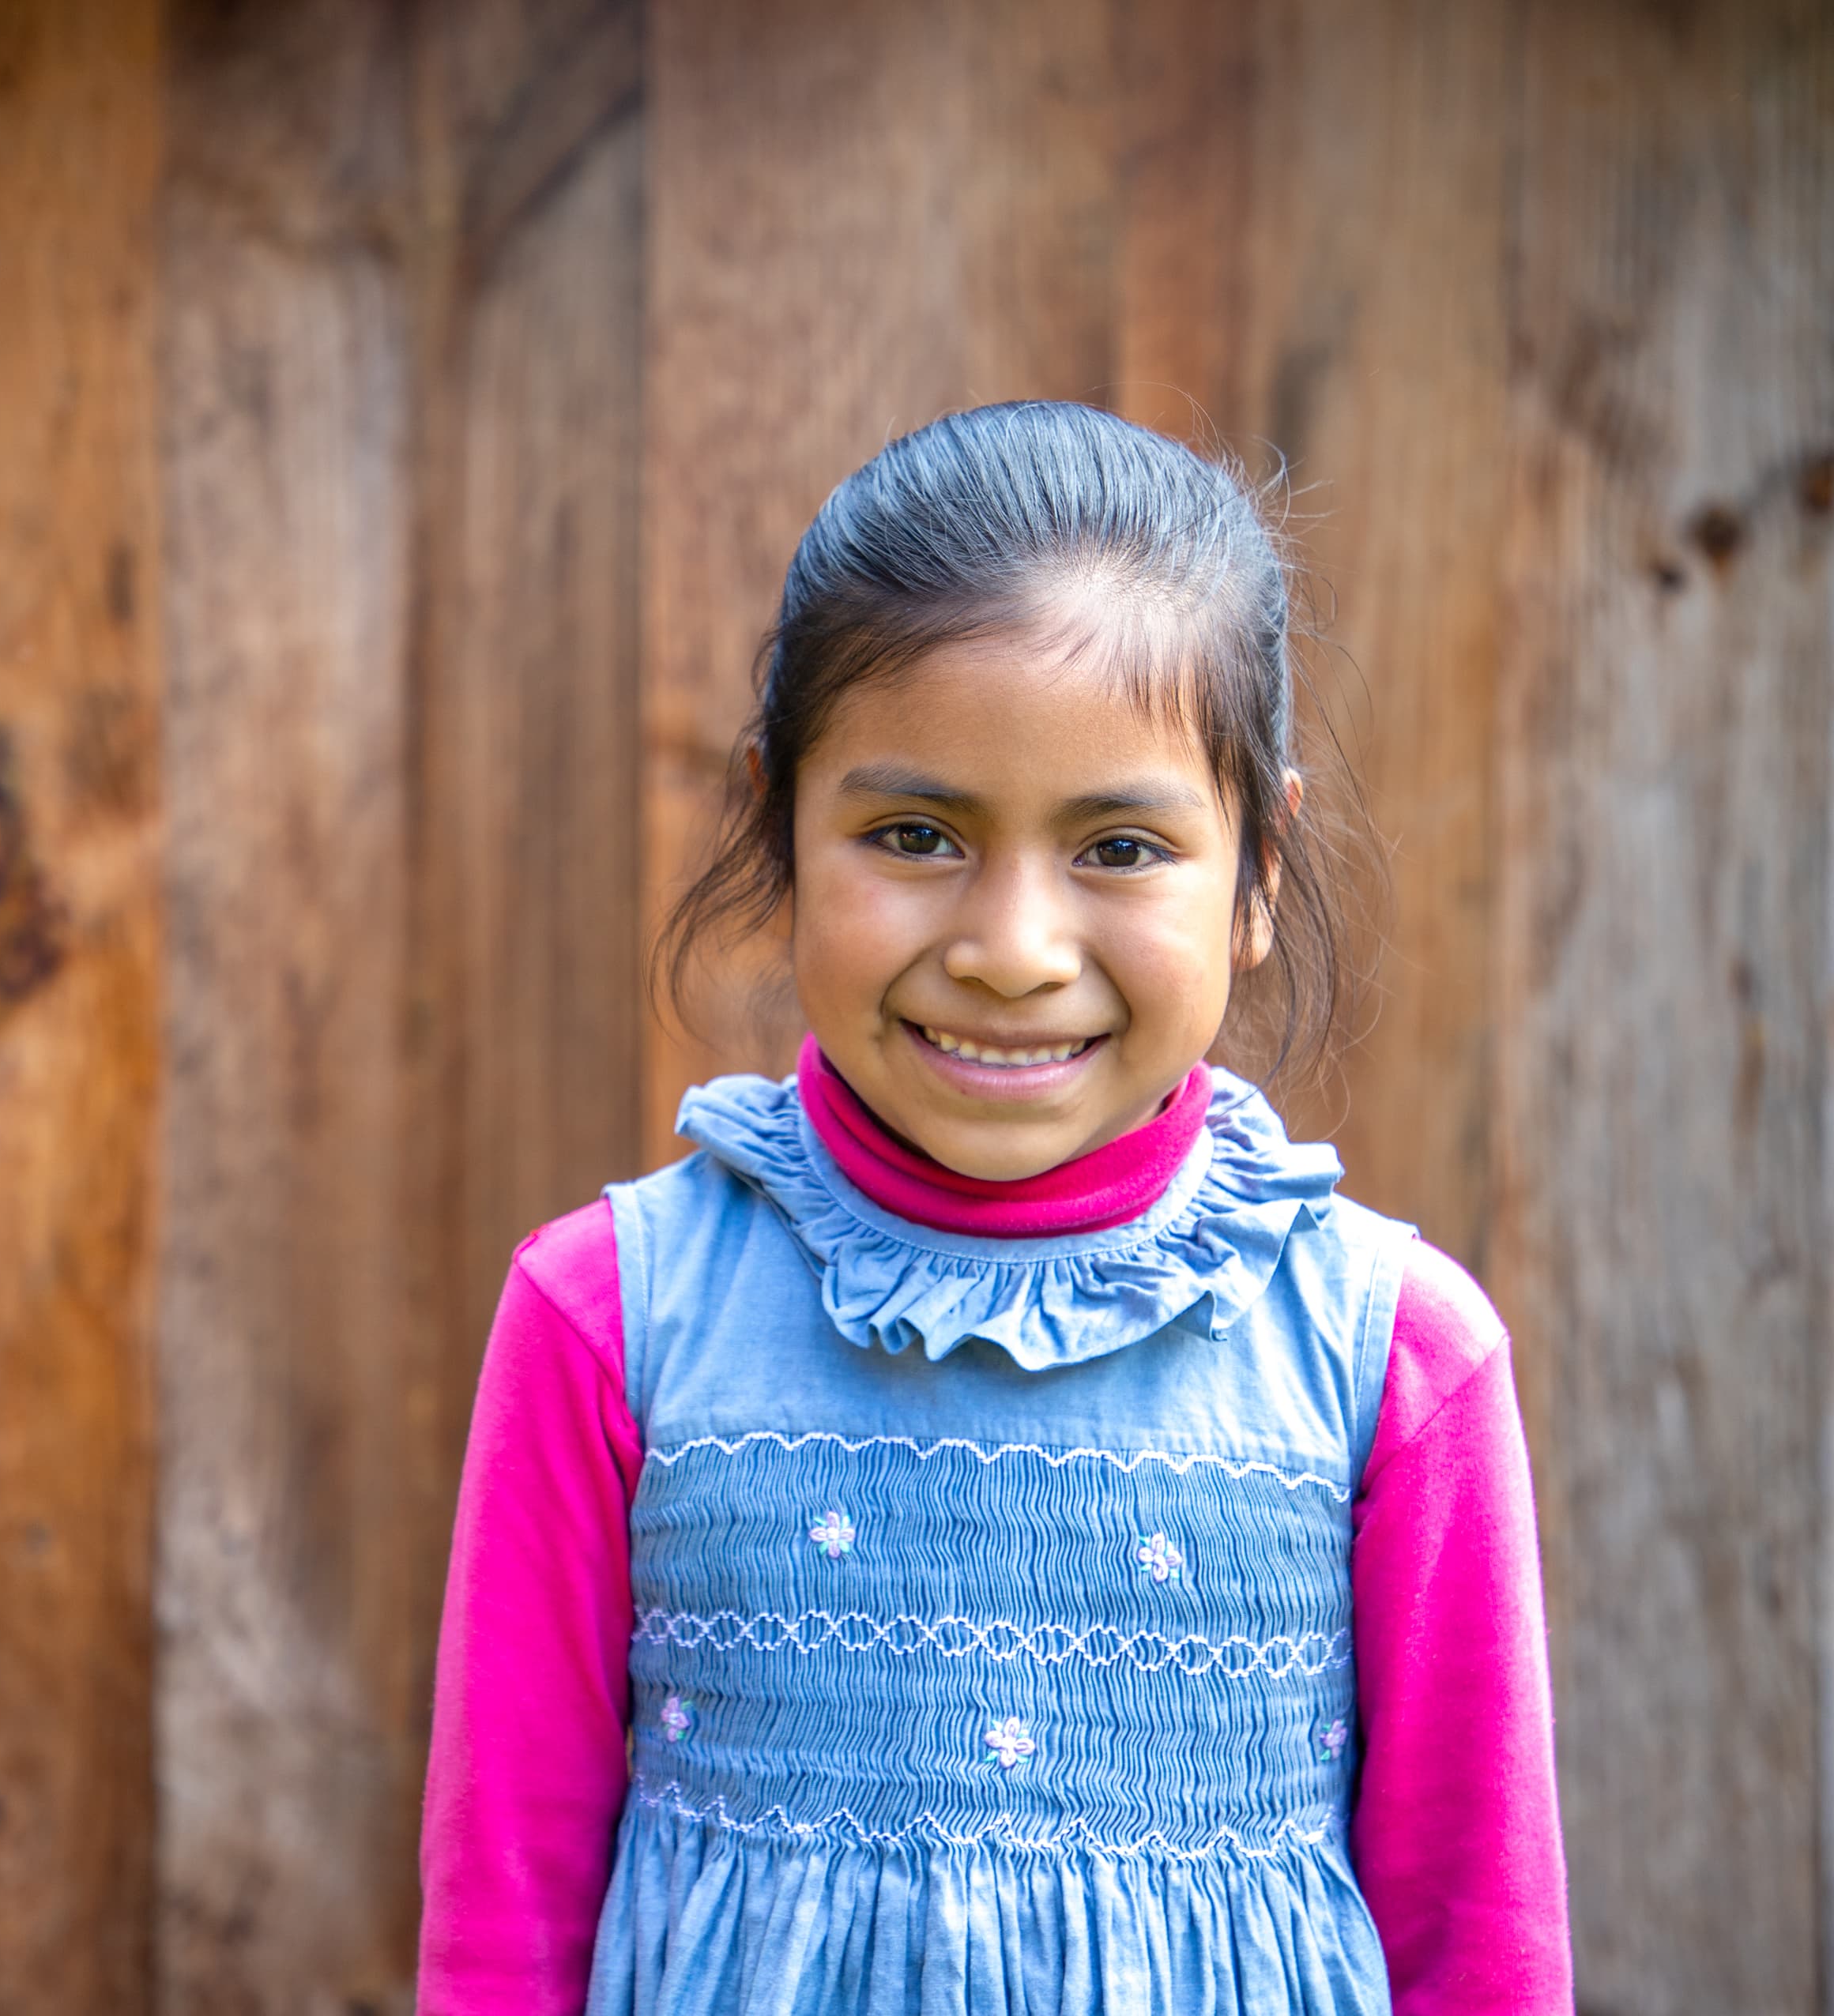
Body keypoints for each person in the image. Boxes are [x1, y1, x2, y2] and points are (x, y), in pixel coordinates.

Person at [416, 402, 1569, 2014]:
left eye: (1118, 844)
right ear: (780, 824)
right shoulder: (613, 1317)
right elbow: (503, 1925)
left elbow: (1480, 1943)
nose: (1013, 945)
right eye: (914, 835)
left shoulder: (1392, 1357)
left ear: (1253, 874)